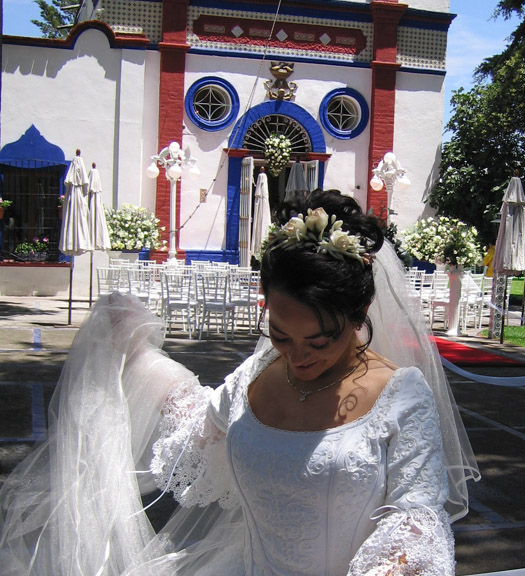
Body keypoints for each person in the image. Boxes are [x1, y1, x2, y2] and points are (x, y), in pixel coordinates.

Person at [0, 189, 479, 576]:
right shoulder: (257, 372)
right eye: (280, 334)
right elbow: (199, 427)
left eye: (319, 340)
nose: (297, 356)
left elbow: (416, 518)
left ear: (358, 316)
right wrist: (142, 357)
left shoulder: (402, 394)